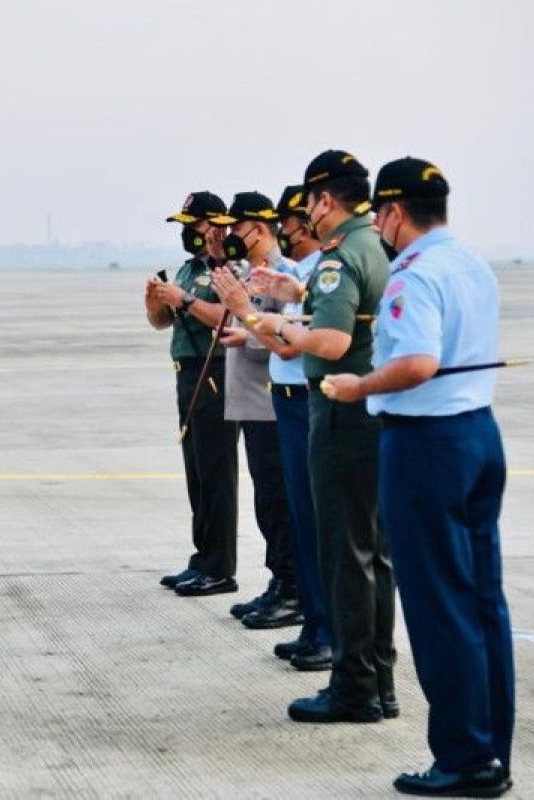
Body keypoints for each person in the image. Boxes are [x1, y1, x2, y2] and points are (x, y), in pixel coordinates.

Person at [323, 158, 514, 797]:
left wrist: (359, 385)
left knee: (438, 605)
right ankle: (490, 749)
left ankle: (463, 758)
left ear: (395, 213)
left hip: (428, 445)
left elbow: (418, 362)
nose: (378, 225)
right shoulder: (471, 263)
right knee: (483, 601)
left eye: (379, 214)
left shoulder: (415, 272)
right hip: (479, 435)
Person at [246, 151, 397, 723]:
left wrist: (272, 321)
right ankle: (378, 679)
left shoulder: (339, 257)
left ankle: (354, 687)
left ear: (325, 201)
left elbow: (332, 342)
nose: (308, 215)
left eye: (309, 204)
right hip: (376, 410)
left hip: (339, 410)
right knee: (375, 551)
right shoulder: (375, 247)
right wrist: (298, 294)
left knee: (345, 552)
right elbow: (353, 313)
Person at [211, 186, 332, 669]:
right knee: (289, 511)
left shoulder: (313, 272)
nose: (288, 227)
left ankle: (316, 618)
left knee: (304, 514)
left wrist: (246, 315)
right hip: (279, 398)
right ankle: (310, 618)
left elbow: (289, 343)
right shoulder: (296, 274)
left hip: (298, 396)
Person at [207, 192, 299, 630]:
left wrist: (248, 335)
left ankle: (292, 588)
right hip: (251, 401)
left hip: (270, 403)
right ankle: (279, 582)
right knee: (267, 502)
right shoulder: (249, 274)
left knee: (279, 502)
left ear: (259, 229)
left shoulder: (280, 275)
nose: (231, 236)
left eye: (237, 228)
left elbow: (289, 334)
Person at [146, 192, 240, 597]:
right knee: (197, 470)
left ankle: (220, 567)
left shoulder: (227, 271)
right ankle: (203, 558)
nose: (188, 232)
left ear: (215, 226)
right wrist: (157, 302)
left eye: (194, 224)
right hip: (187, 373)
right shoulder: (188, 270)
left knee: (216, 471)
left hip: (215, 372)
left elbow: (229, 316)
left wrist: (184, 300)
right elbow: (161, 322)